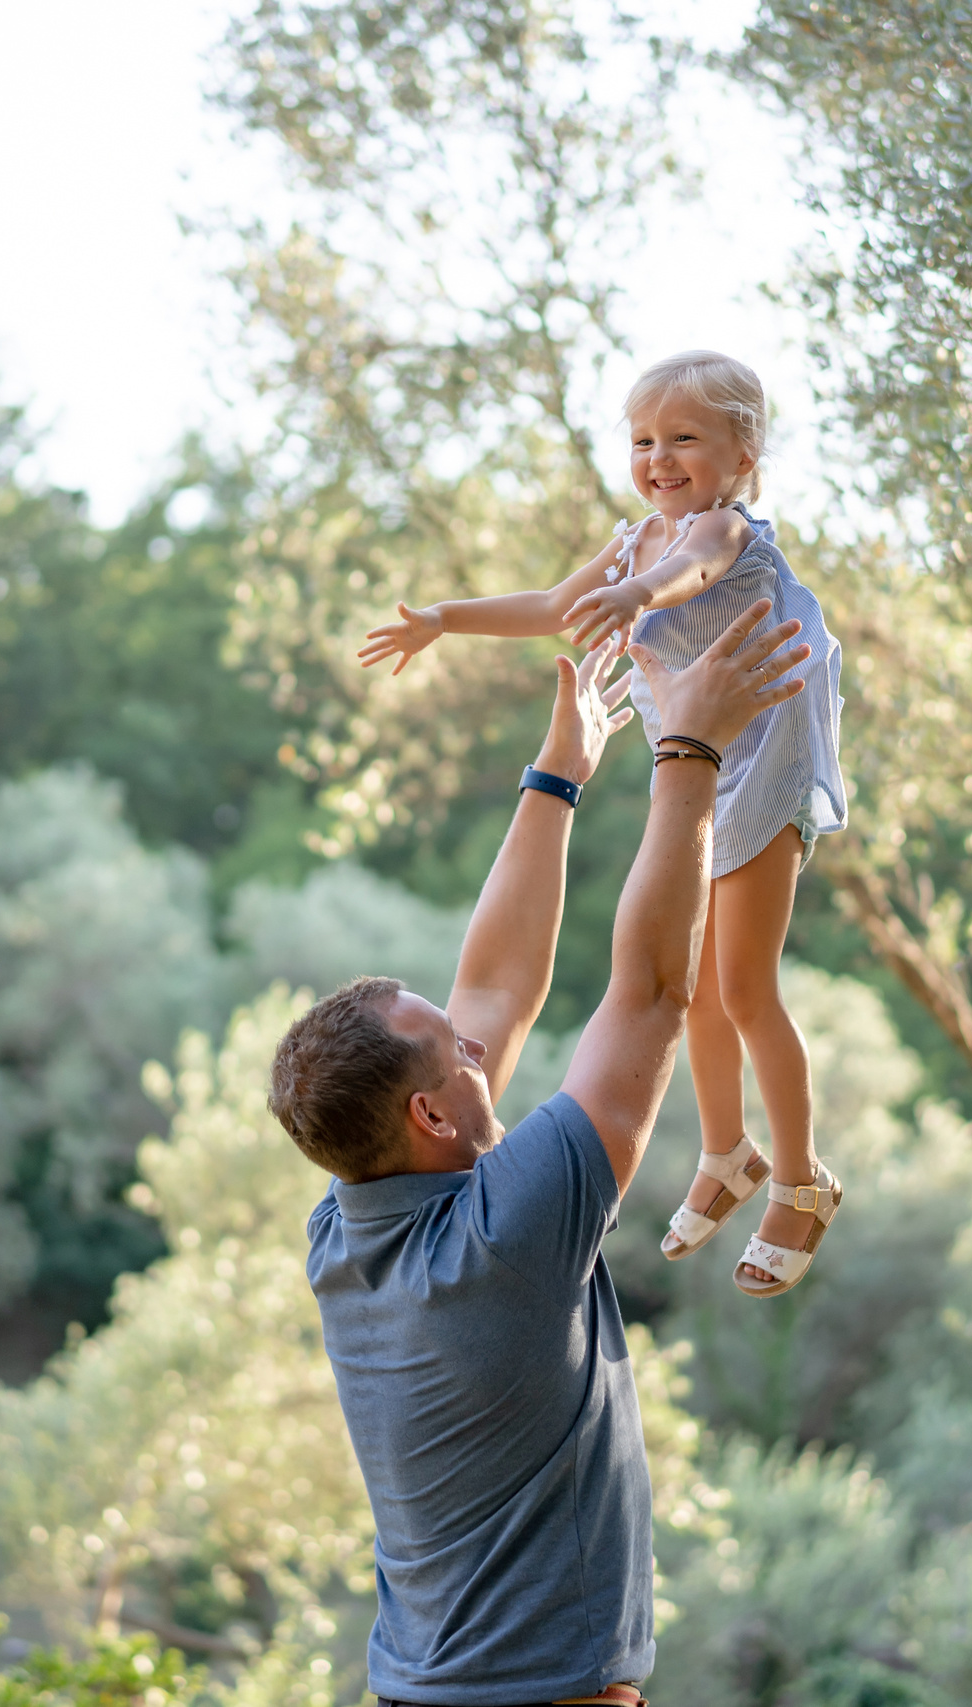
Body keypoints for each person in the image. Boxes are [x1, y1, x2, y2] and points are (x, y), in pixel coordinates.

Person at [270, 602, 810, 1707]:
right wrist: (689, 753)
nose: (479, 1048)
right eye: (456, 1055)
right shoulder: (505, 1240)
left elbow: (493, 992)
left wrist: (556, 778)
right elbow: (654, 994)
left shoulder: (349, 1223)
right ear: (428, 1117)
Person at [355, 350, 849, 1297]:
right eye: (642, 441)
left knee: (745, 990)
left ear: (744, 453)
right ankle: (726, 1151)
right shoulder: (633, 542)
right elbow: (552, 606)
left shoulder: (722, 529)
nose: (659, 458)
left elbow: (696, 567)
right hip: (701, 772)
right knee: (696, 989)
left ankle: (801, 1178)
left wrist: (635, 595)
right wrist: (445, 619)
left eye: (684, 439)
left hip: (762, 765)